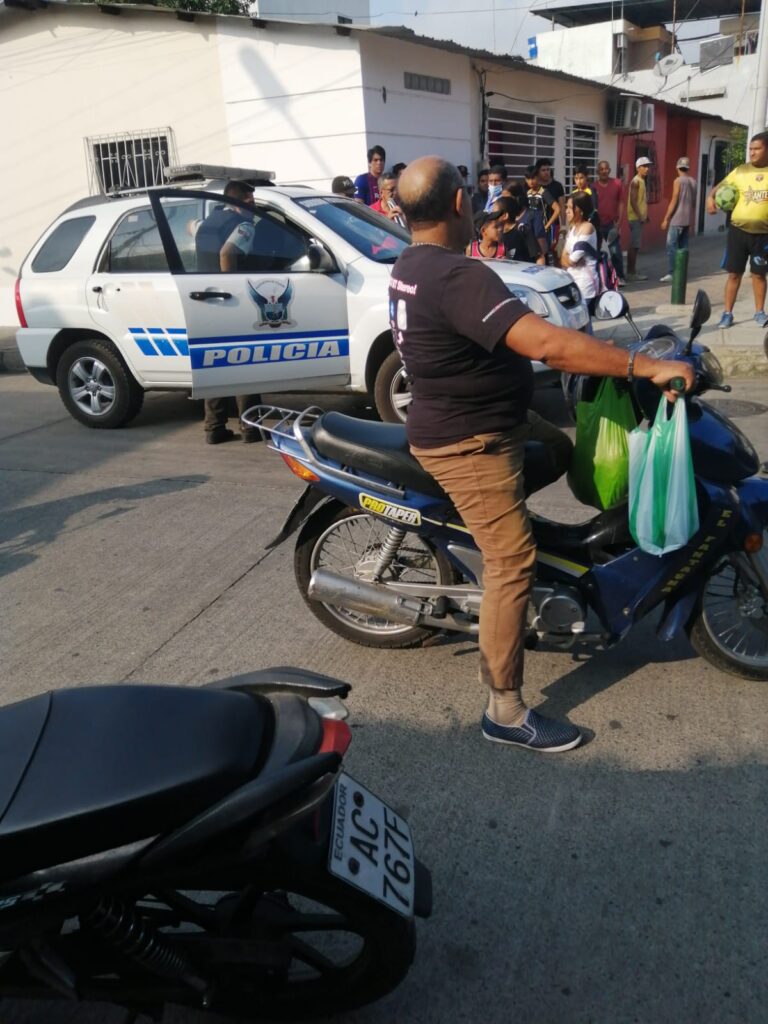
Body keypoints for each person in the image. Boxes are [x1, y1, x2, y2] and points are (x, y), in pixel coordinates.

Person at [391, 155, 694, 752]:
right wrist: (645, 364)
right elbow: (551, 345)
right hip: (468, 441)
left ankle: (507, 537)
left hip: (480, 418)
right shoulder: (458, 276)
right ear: (460, 204)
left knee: (556, 448)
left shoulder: (414, 263)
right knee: (512, 561)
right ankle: (503, 709)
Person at [194, 181, 260, 444]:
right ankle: (250, 427)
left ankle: (213, 427)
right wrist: (231, 286)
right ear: (238, 202)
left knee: (216, 363)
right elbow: (226, 253)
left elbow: (191, 228)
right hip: (229, 299)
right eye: (250, 203)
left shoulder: (208, 222)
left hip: (204, 299)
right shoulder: (242, 226)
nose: (253, 209)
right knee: (243, 363)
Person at [706, 130, 768, 329]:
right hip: (738, 232)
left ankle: (759, 312)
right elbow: (719, 187)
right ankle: (727, 314)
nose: (752, 152)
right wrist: (710, 198)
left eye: (757, 149)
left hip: (763, 235)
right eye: (750, 149)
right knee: (734, 274)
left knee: (759, 275)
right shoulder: (741, 171)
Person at [561, 192, 600, 315]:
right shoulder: (573, 229)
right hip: (573, 283)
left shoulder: (587, 228)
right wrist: (568, 259)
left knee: (583, 323)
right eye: (566, 207)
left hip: (585, 285)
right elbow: (562, 259)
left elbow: (571, 260)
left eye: (569, 207)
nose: (567, 211)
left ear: (580, 210)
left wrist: (568, 258)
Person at [660, 157, 698, 283]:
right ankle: (682, 272)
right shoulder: (693, 181)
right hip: (687, 219)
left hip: (676, 219)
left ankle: (672, 272)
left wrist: (666, 218)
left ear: (677, 167)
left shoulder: (678, 181)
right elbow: (693, 203)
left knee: (671, 246)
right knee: (683, 247)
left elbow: (674, 199)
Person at [594, 159, 626, 284]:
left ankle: (620, 276)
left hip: (612, 224)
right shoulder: (593, 187)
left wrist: (619, 223)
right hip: (597, 225)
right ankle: (598, 277)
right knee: (595, 252)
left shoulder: (617, 183)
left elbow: (622, 203)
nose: (604, 171)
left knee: (615, 252)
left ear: (610, 170)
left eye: (606, 168)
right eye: (601, 169)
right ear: (597, 171)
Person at [492, 195, 541, 264]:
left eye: (494, 213)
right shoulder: (495, 234)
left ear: (505, 216)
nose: (492, 216)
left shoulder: (522, 230)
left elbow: (539, 258)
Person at [626, 156, 652, 281]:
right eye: (644, 166)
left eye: (648, 166)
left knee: (635, 245)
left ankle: (632, 271)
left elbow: (641, 201)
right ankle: (631, 272)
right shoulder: (636, 181)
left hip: (639, 217)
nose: (647, 169)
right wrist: (641, 216)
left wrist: (646, 216)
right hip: (635, 218)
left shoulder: (641, 181)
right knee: (634, 246)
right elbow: (633, 201)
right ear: (638, 168)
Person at [524, 165, 555, 261]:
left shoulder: (544, 192)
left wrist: (547, 226)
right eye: (528, 179)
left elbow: (557, 209)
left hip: (543, 231)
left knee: (544, 255)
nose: (531, 181)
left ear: (538, 178)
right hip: (532, 231)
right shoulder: (527, 193)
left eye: (533, 178)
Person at [536, 158, 566, 252]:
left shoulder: (557, 186)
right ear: (538, 171)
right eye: (543, 170)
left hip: (554, 225)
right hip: (538, 224)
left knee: (555, 251)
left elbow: (562, 207)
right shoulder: (535, 186)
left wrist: (563, 226)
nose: (546, 172)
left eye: (548, 170)